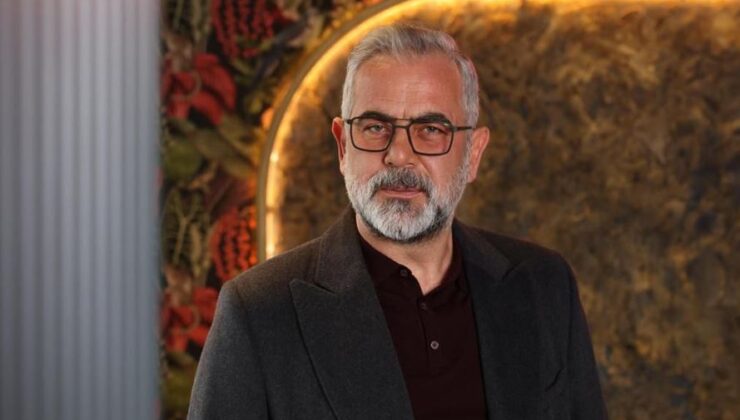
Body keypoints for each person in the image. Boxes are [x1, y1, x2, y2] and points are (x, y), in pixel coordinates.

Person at [188, 24, 607, 420]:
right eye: (375, 127)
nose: (399, 155)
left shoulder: (543, 285)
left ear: (473, 153)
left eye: (430, 129)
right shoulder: (259, 311)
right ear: (342, 146)